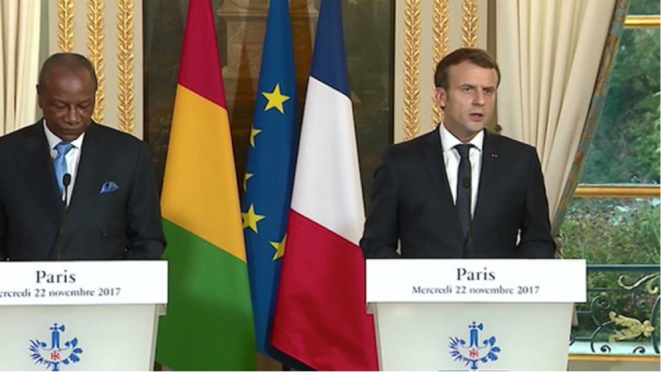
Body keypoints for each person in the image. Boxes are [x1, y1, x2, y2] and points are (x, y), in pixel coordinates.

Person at [360, 48, 555, 259]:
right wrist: (414, 284)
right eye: (468, 89)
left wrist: (508, 282)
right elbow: (376, 244)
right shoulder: (400, 162)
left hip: (498, 290)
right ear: (441, 97)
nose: (480, 100)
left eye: (488, 91)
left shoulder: (520, 161)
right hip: (423, 290)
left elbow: (539, 241)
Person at [0, 53, 165, 260]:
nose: (73, 117)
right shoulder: (6, 155)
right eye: (60, 106)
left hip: (105, 289)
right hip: (28, 289)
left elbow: (148, 241)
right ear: (40, 96)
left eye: (84, 107)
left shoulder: (129, 155)